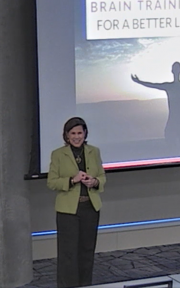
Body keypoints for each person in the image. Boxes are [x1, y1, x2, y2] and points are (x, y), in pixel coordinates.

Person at [47, 117, 106, 288]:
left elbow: (102, 176)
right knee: (68, 254)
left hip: (90, 207)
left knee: (87, 252)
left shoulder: (94, 151)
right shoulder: (58, 154)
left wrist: (94, 182)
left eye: (79, 133)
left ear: (85, 133)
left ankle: (86, 285)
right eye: (72, 133)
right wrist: (72, 180)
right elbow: (52, 182)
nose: (76, 137)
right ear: (66, 136)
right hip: (68, 211)